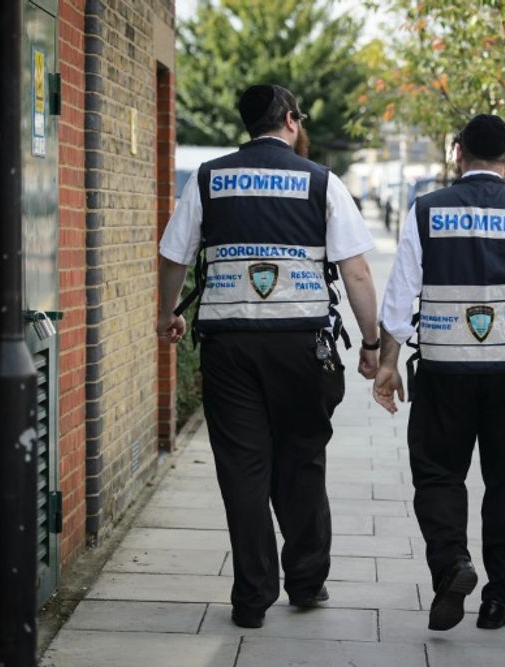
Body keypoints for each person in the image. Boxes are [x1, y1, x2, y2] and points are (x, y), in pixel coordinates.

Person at [156, 84, 380, 629]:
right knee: (302, 461)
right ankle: (305, 582)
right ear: (287, 119)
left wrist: (168, 315)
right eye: (299, 117)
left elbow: (172, 255)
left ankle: (252, 597)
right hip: (303, 346)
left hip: (229, 347)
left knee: (243, 470)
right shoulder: (321, 182)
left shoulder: (209, 178)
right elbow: (355, 271)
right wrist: (372, 344)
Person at [372, 114, 505, 632]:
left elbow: (400, 295)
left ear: (457, 153)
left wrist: (386, 364)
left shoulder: (426, 211)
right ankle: (499, 598)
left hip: (445, 369)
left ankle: (452, 564)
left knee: (438, 472)